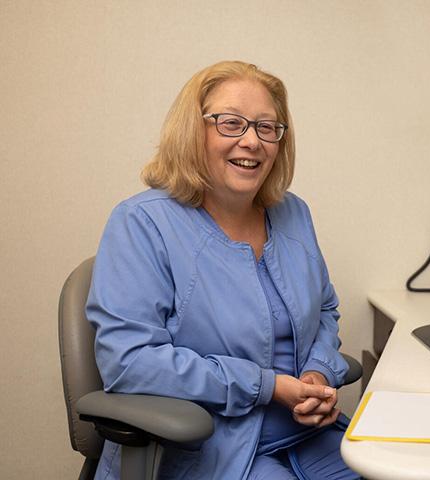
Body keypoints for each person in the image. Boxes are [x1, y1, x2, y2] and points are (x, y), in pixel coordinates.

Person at [86, 61, 360, 480]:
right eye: (231, 123)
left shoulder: (294, 214)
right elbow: (129, 363)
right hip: (211, 448)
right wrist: (267, 386)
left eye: (267, 128)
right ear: (193, 131)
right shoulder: (141, 223)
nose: (252, 141)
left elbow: (325, 310)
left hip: (307, 434)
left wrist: (318, 374)